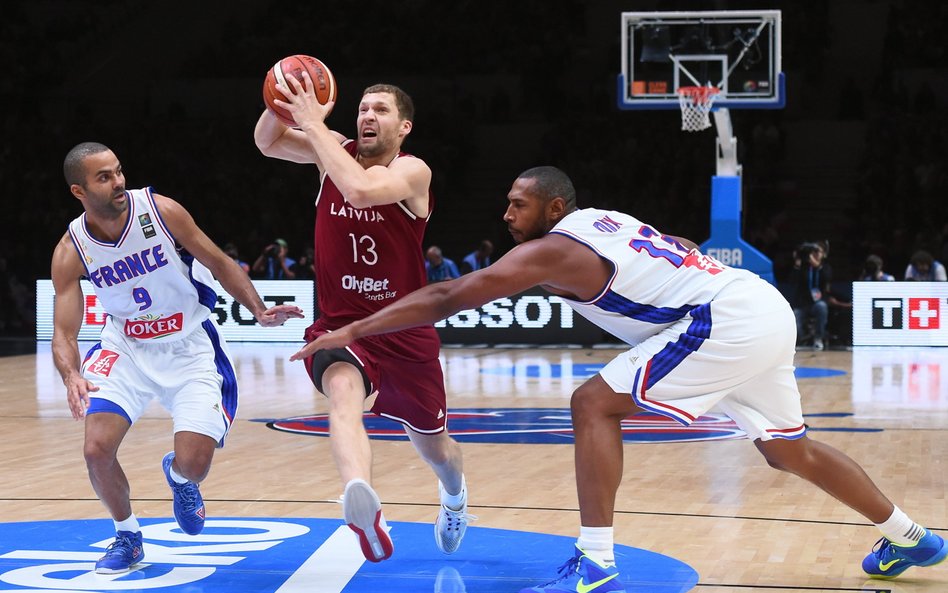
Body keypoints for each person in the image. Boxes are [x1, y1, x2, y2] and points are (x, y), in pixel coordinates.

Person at [292, 166, 947, 591]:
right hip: (757, 305)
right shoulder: (605, 220)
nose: (507, 213)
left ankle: (597, 560)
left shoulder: (555, 247)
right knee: (787, 449)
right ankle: (910, 537)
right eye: (507, 204)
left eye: (519, 204)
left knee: (592, 403)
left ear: (554, 206)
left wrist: (350, 330)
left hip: (724, 318)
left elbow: (450, 296)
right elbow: (677, 240)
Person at [51, 142, 304, 574]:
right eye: (104, 177)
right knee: (96, 449)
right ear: (79, 191)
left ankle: (182, 478)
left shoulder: (161, 211)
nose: (118, 183)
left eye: (118, 171)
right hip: (125, 347)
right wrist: (71, 374)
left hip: (188, 344)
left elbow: (219, 262)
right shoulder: (71, 250)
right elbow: (63, 332)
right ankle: (127, 536)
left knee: (195, 463)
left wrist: (258, 309)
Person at [253, 72, 470, 561]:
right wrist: (283, 95)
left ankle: (454, 497)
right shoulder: (332, 149)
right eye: (363, 108)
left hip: (403, 330)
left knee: (436, 449)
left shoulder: (414, 171)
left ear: (404, 126)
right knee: (343, 392)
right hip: (341, 323)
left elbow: (360, 191)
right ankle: (361, 500)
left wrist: (314, 129)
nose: (367, 115)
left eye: (381, 110)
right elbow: (266, 143)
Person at [788, 242, 832, 350]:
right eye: (813, 252)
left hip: (817, 302)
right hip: (803, 303)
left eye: (818, 252)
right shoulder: (804, 268)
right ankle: (800, 340)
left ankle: (818, 338)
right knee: (795, 314)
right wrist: (797, 264)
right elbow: (792, 281)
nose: (815, 254)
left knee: (822, 307)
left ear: (823, 254)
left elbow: (827, 278)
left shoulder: (825, 268)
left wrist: (816, 265)